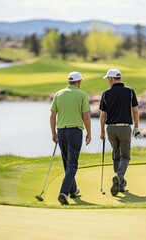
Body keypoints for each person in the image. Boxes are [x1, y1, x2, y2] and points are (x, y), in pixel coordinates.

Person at [50, 71, 91, 205]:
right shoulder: (82, 94)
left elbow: (52, 116)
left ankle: (73, 190)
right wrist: (89, 133)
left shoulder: (58, 94)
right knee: (72, 163)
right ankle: (63, 192)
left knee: (67, 162)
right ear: (78, 82)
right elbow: (86, 116)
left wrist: (53, 133)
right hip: (75, 132)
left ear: (69, 81)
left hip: (61, 131)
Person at [99, 68, 142, 196]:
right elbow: (135, 111)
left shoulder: (106, 93)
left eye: (108, 79)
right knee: (126, 156)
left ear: (111, 79)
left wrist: (102, 132)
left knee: (116, 156)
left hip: (111, 129)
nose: (107, 81)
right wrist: (136, 127)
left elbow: (102, 115)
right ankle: (118, 176)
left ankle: (120, 185)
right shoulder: (129, 92)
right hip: (124, 128)